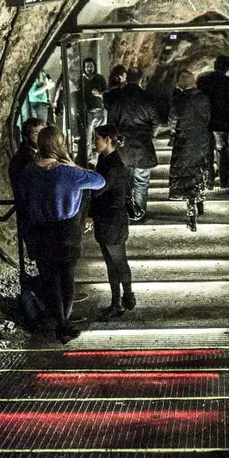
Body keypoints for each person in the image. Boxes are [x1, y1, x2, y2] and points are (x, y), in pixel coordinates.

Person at [19, 126, 105, 344]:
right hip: (66, 231)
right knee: (67, 278)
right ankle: (63, 324)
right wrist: (74, 165)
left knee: (50, 278)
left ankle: (59, 321)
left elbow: (24, 199)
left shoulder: (29, 172)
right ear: (60, 144)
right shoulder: (67, 172)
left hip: (40, 230)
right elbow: (99, 181)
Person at [89, 125, 135, 318]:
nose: (94, 142)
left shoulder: (113, 165)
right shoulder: (105, 159)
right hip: (107, 219)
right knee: (113, 262)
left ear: (107, 139)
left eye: (97, 138)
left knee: (117, 261)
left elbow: (98, 189)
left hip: (112, 220)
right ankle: (120, 300)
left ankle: (124, 298)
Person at [107, 65, 160, 218]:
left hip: (123, 145)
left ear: (126, 78)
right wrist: (151, 135)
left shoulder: (118, 98)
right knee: (142, 182)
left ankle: (126, 211)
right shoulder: (146, 97)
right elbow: (156, 120)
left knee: (125, 181)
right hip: (143, 144)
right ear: (141, 80)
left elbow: (111, 122)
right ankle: (139, 212)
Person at [168, 70, 212, 232]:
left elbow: (172, 121)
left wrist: (176, 133)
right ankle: (199, 199)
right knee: (200, 168)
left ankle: (191, 206)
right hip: (200, 139)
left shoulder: (178, 101)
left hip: (184, 140)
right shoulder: (203, 99)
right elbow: (207, 117)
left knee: (186, 172)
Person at [197, 55, 229, 187]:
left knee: (208, 151)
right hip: (222, 121)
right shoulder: (228, 81)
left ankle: (209, 181)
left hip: (205, 120)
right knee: (221, 150)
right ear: (226, 68)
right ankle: (223, 180)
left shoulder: (202, 80)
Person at [9, 117, 45, 259]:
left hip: (40, 217)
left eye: (42, 133)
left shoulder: (39, 154)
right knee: (43, 259)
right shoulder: (22, 160)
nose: (41, 138)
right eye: (36, 134)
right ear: (26, 136)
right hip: (33, 218)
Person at [82, 58, 107, 164]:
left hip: (100, 111)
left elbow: (107, 93)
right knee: (88, 136)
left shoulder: (100, 78)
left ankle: (100, 157)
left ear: (94, 66)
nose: (89, 68)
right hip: (88, 112)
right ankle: (88, 159)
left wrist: (99, 94)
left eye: (91, 66)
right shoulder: (82, 80)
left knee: (101, 135)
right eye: (87, 66)